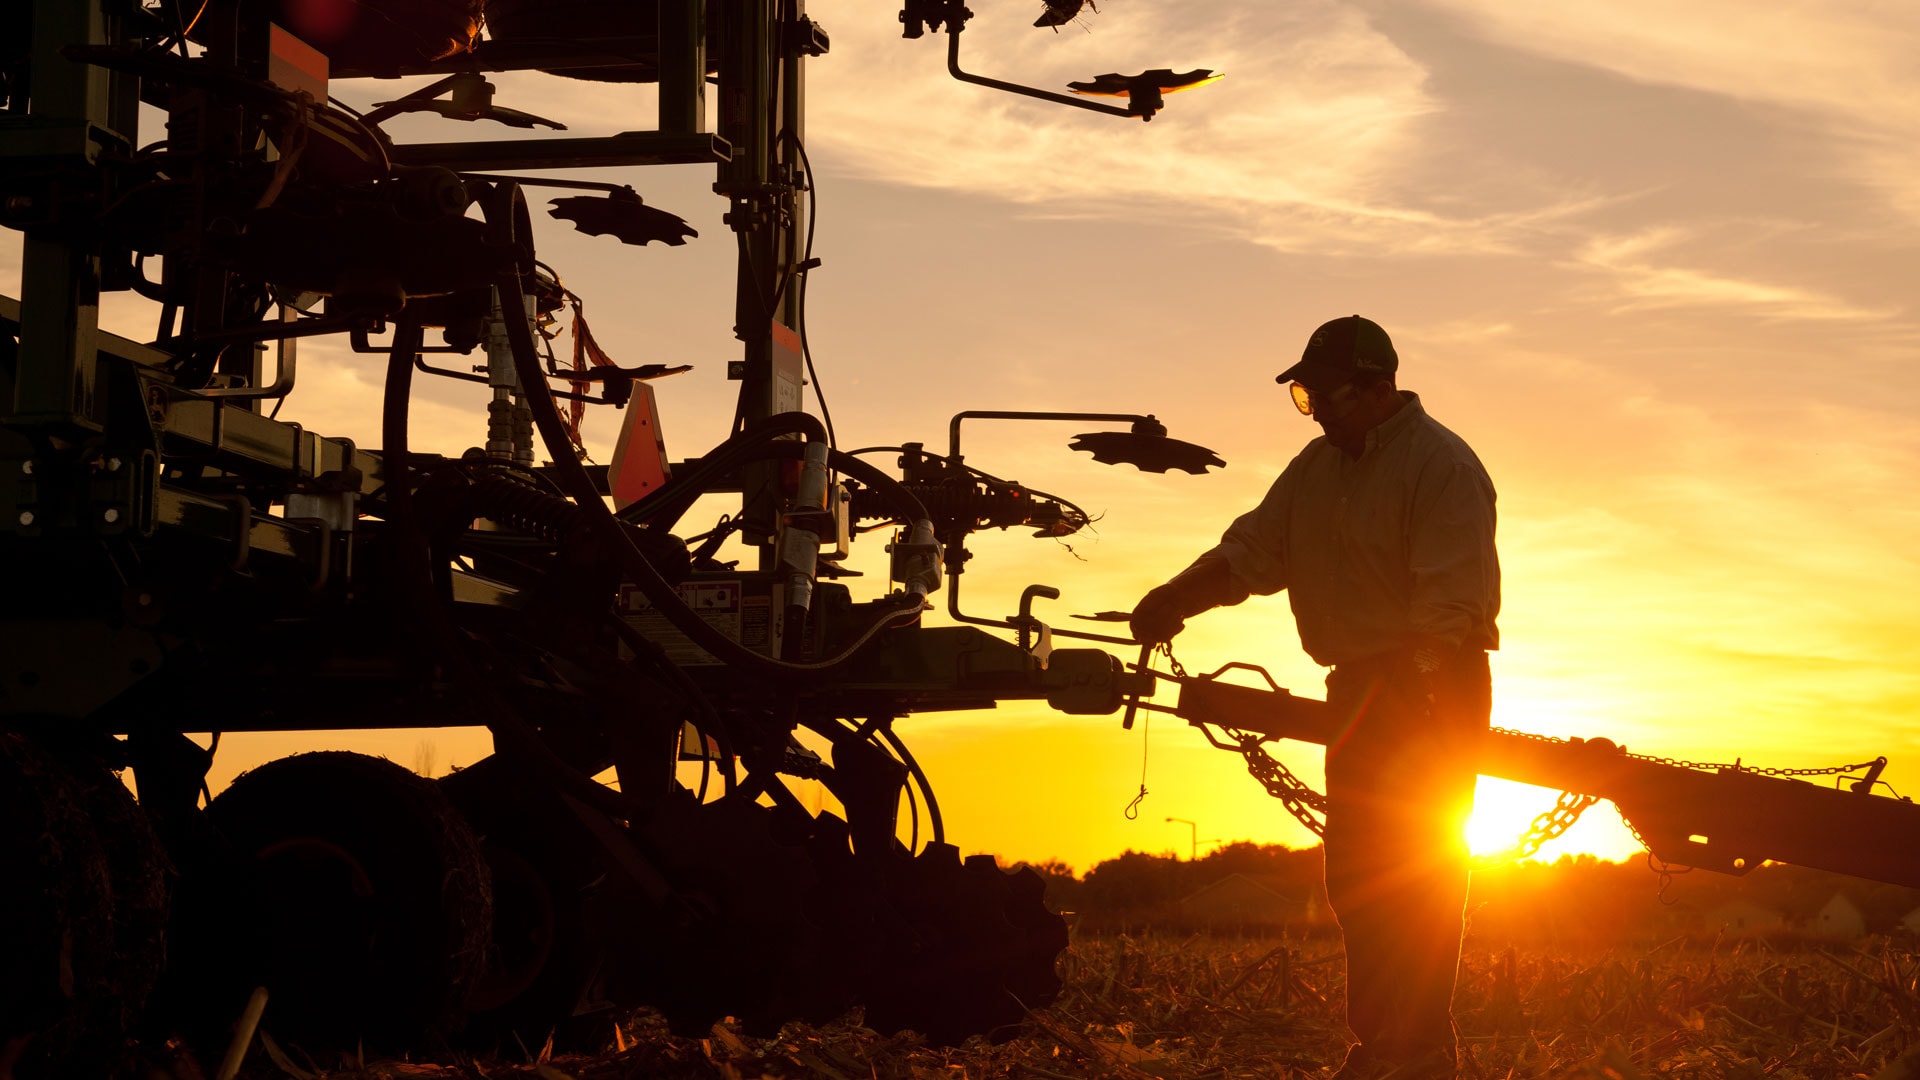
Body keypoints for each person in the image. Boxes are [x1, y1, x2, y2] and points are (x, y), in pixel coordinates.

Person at [1131, 315, 1499, 1080]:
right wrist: (1176, 596)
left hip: (1435, 679)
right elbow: (1253, 553)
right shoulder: (1316, 469)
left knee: (1422, 874)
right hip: (1361, 685)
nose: (1316, 409)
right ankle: (1379, 1043)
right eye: (1305, 396)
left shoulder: (1442, 466)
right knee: (1361, 878)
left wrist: (1421, 700)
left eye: (1323, 394)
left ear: (1375, 387)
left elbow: (1452, 602)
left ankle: (1423, 1051)